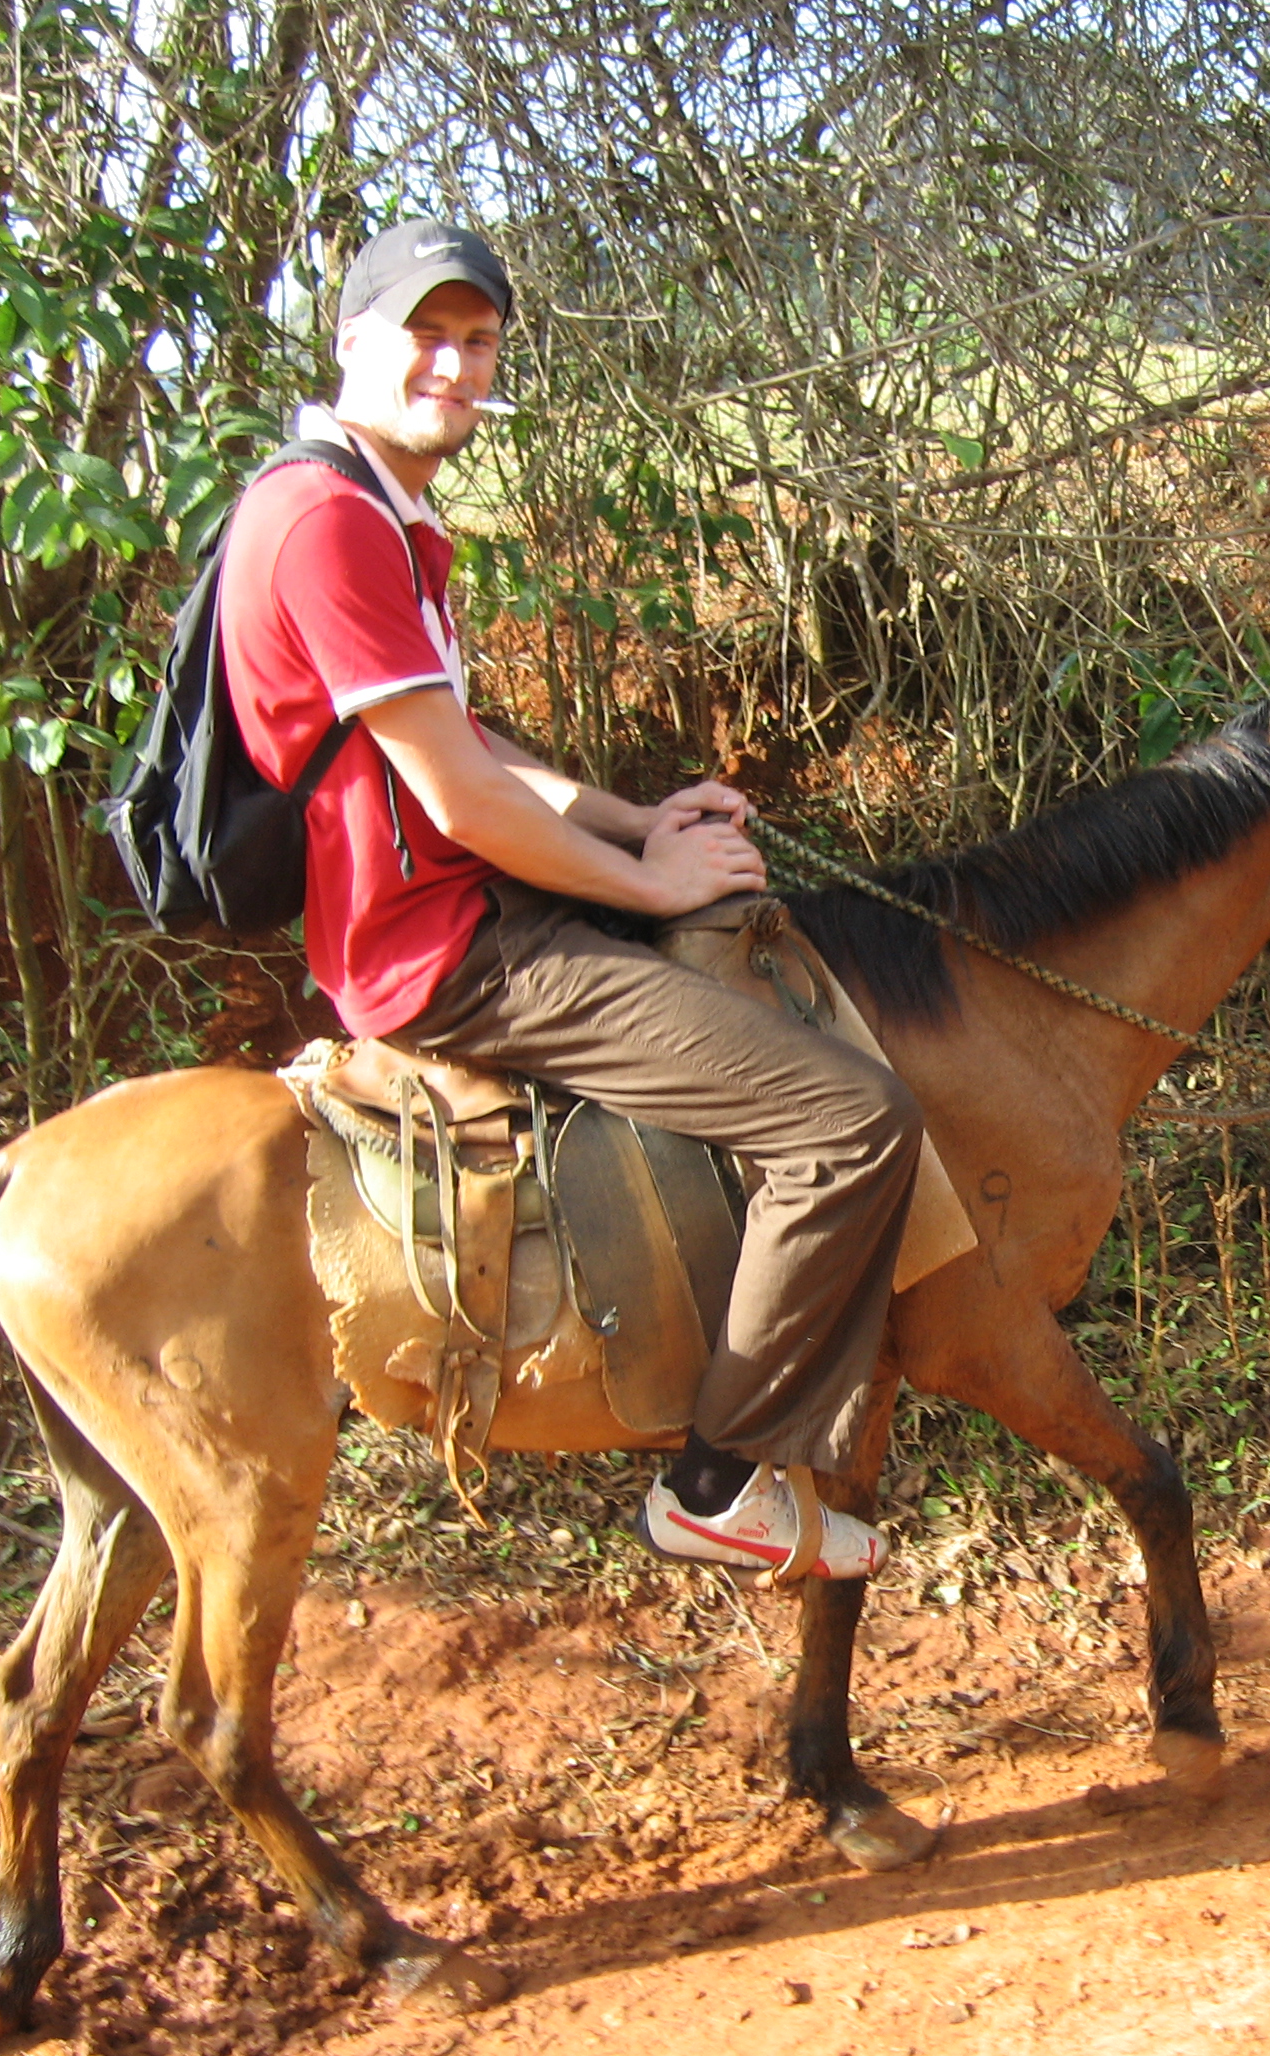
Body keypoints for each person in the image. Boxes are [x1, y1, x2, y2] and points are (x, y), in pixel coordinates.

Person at [220, 218, 918, 1579]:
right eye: (424, 334)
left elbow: (475, 748)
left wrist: (638, 820)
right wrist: (650, 878)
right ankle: (715, 1484)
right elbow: (461, 803)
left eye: (477, 341)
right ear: (351, 340)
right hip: (449, 951)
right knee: (852, 1119)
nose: (453, 365)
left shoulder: (375, 508)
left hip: (467, 908)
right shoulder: (327, 527)